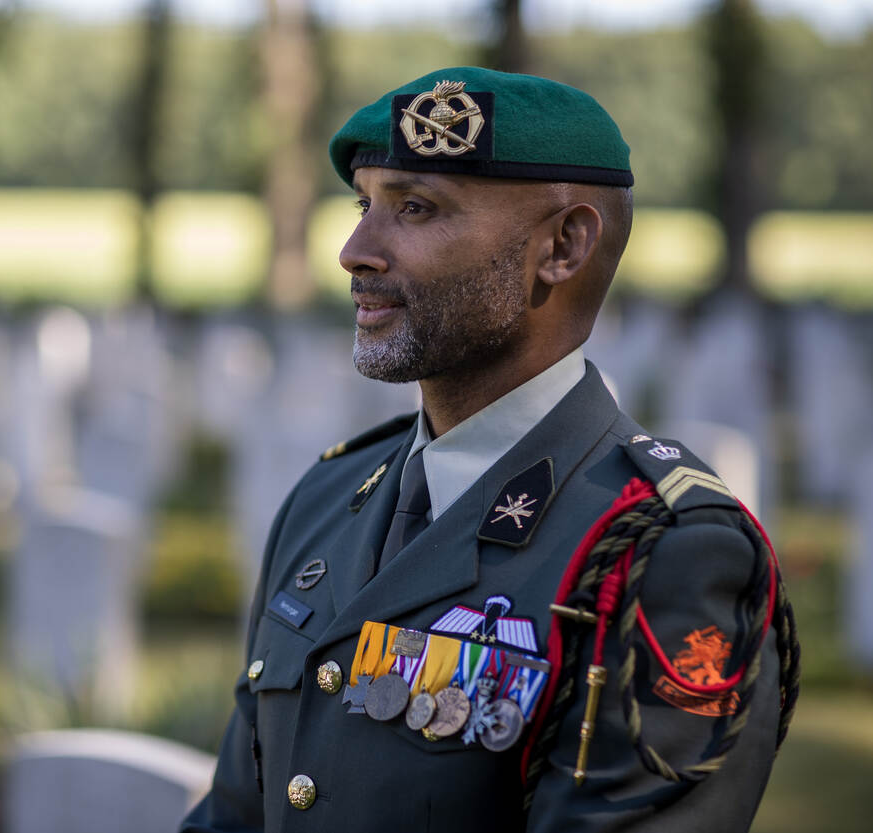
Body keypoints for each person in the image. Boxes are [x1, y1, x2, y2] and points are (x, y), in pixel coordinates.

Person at [179, 67, 797, 833]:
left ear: (563, 246)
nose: (354, 251)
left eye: (415, 207)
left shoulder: (669, 554)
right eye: (364, 205)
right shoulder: (328, 496)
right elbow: (236, 812)